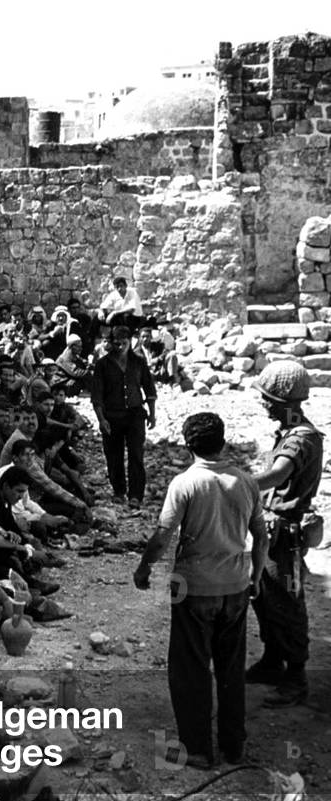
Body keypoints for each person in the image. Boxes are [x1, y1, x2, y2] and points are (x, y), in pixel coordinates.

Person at [135, 413, 268, 768]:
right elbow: (261, 536)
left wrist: (144, 567)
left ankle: (197, 749)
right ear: (222, 441)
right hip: (236, 587)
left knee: (190, 668)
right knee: (231, 669)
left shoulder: (185, 483)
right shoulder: (246, 481)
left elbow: (163, 535)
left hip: (193, 588)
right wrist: (255, 577)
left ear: (188, 445)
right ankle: (233, 745)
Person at [246, 361, 325, 708]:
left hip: (285, 533)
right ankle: (272, 660)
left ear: (287, 402)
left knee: (287, 603)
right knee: (263, 596)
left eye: (269, 399)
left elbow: (278, 476)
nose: (264, 404)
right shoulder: (289, 431)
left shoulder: (302, 438)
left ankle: (295, 676)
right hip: (271, 529)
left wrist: (235, 483)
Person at [90, 326, 156, 508]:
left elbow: (149, 388)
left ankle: (136, 495)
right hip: (112, 415)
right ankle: (119, 491)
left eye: (124, 343)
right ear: (111, 343)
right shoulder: (102, 364)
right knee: (113, 455)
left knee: (136, 454)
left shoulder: (139, 362)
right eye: (117, 343)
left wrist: (152, 414)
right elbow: (97, 395)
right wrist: (101, 419)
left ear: (130, 342)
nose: (120, 347)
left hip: (135, 415)